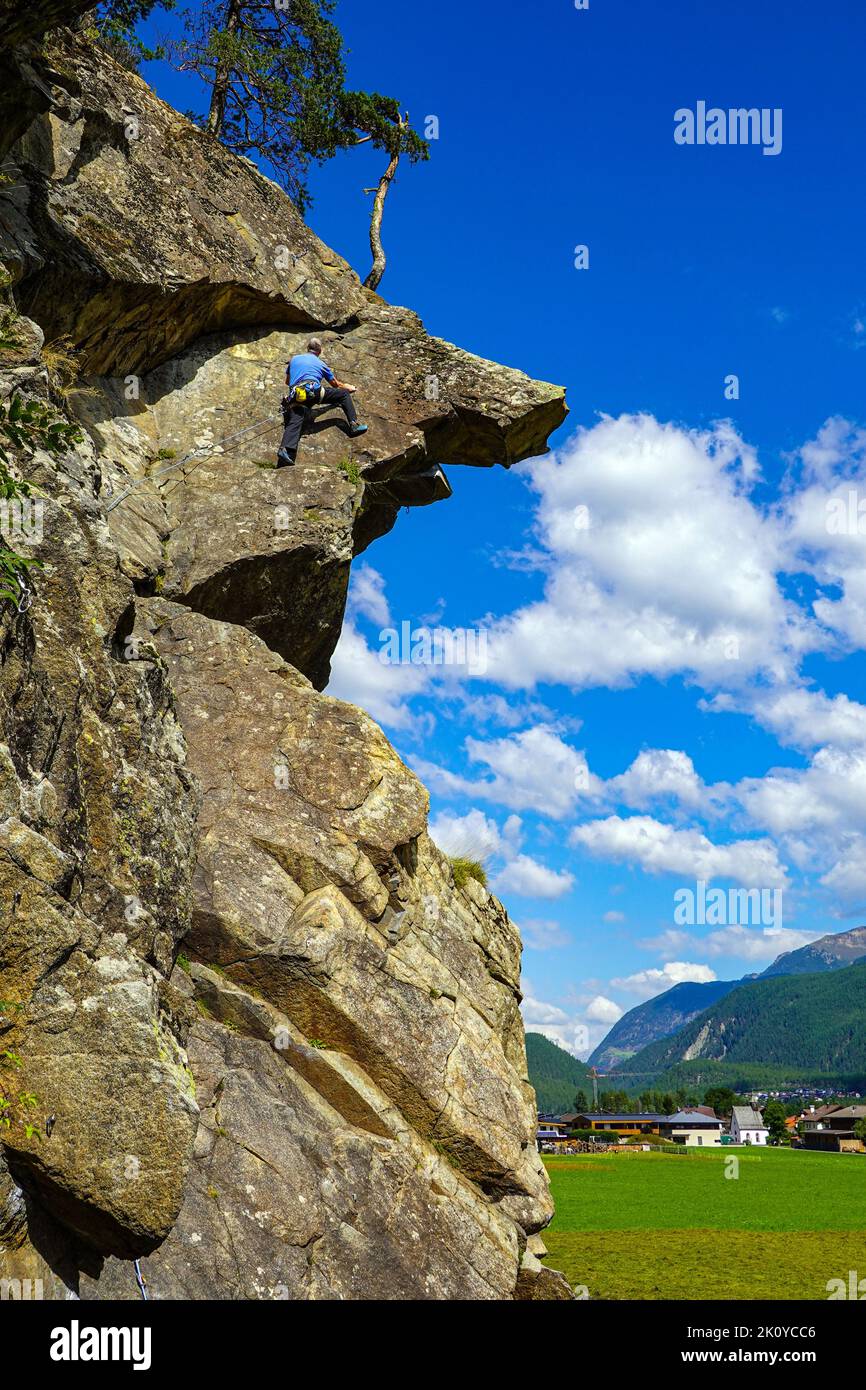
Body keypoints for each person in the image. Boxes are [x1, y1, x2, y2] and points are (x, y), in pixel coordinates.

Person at [276, 338, 368, 466]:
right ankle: (354, 425)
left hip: (297, 395)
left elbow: (287, 382)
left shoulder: (294, 359)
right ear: (319, 351)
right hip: (314, 392)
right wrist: (348, 387)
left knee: (296, 419)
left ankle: (285, 450)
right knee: (343, 395)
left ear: (308, 348)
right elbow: (335, 384)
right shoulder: (321, 364)